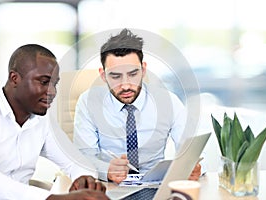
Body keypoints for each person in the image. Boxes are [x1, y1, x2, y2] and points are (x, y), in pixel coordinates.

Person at [0, 44, 109, 200]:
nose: (52, 92)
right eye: (44, 82)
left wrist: (85, 179)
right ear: (14, 79)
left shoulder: (42, 121)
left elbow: (74, 161)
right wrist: (51, 198)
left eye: (54, 84)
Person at [73, 28, 202, 184]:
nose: (126, 85)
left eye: (133, 74)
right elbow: (84, 156)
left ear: (143, 69)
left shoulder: (169, 102)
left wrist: (192, 167)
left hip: (156, 185)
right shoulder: (88, 102)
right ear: (103, 75)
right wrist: (105, 169)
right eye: (115, 76)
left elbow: (190, 149)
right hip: (109, 186)